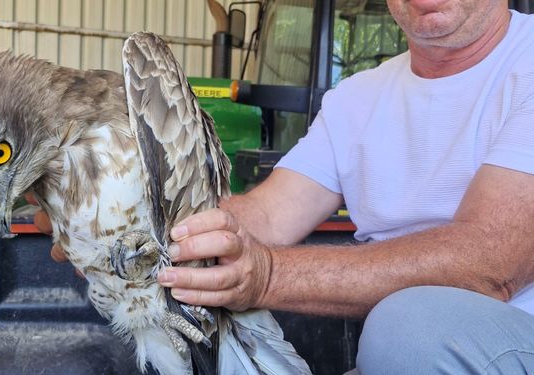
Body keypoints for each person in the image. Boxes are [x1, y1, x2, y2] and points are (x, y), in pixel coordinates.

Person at [31, 1, 534, 373]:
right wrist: (128, 230)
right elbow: (265, 216)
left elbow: (489, 265)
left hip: (500, 339)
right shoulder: (358, 97)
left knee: (410, 327)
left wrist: (265, 275)